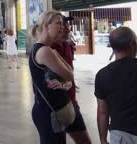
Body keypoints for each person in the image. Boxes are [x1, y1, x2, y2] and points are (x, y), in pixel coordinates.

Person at [29, 10, 75, 143]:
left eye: (62, 23)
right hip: (48, 112)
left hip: (49, 109)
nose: (62, 27)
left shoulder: (46, 48)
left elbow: (68, 79)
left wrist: (64, 84)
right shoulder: (45, 51)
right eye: (58, 23)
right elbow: (70, 74)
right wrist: (56, 54)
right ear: (46, 26)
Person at [51, 16, 91, 144]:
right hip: (55, 106)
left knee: (84, 141)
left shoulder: (66, 45)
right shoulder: (48, 49)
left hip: (71, 102)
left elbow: (69, 71)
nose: (67, 28)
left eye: (67, 24)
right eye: (63, 25)